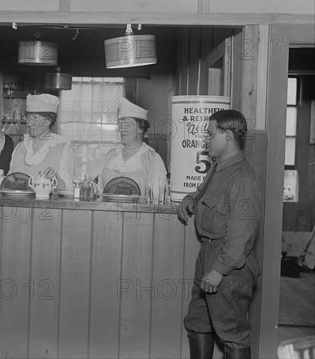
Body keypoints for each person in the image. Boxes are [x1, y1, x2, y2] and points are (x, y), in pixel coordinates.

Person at [177, 109, 261, 359]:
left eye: (211, 134)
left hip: (229, 263)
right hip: (209, 253)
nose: (206, 140)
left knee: (231, 330)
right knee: (199, 320)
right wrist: (190, 199)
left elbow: (241, 236)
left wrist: (218, 270)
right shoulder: (219, 168)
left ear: (227, 135)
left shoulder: (242, 179)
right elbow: (203, 193)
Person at [99, 98, 167, 198]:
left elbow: (158, 198)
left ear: (141, 128)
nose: (121, 129)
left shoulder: (153, 159)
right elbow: (99, 191)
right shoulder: (110, 155)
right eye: (120, 125)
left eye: (126, 124)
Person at [9, 93, 74, 190]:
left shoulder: (62, 149)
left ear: (48, 121)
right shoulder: (20, 148)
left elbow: (68, 188)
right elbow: (8, 182)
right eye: (29, 118)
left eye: (35, 118)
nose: (29, 123)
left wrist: (56, 179)